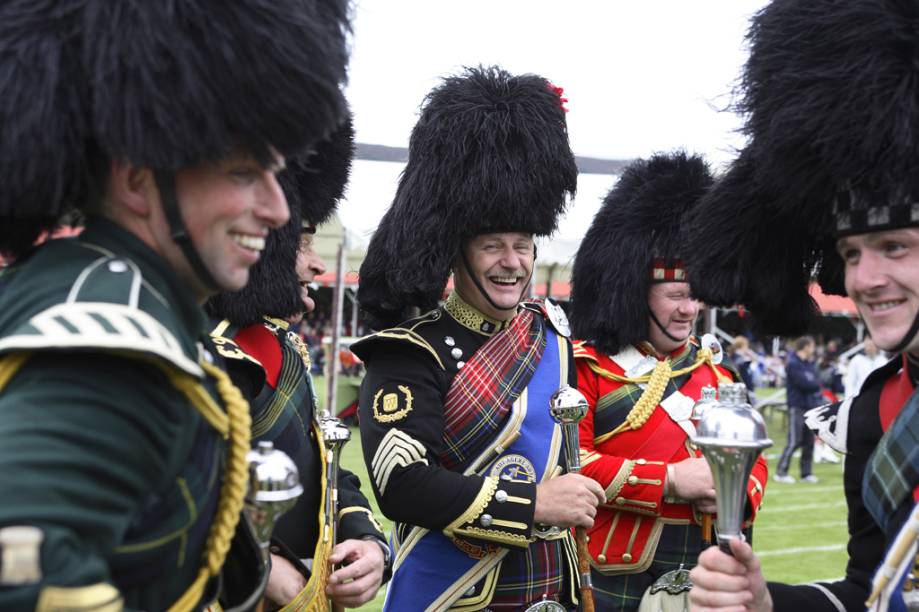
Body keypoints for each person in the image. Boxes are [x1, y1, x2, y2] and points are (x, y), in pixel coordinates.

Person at [0, 2, 350, 610]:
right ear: (138, 178)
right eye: (245, 172)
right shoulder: (111, 341)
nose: (276, 209)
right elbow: (23, 566)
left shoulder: (91, 290)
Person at [682, 0, 919, 609]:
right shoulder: (878, 406)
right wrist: (765, 601)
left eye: (894, 246)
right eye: (851, 251)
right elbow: (869, 594)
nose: (865, 278)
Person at [352, 65, 605, 611]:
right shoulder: (407, 350)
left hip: (548, 591)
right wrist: (534, 503)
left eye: (523, 244)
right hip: (455, 596)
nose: (512, 263)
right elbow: (402, 485)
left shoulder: (551, 335)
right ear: (458, 251)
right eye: (492, 245)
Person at [568, 152, 768, 610]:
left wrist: (736, 494)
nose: (688, 309)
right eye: (676, 295)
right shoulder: (589, 368)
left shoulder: (718, 372)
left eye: (694, 295)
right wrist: (672, 480)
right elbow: (570, 462)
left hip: (708, 565)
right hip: (616, 569)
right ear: (635, 294)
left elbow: (755, 458)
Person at [206, 116, 390, 610]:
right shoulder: (204, 348)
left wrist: (367, 541)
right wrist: (261, 567)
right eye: (302, 242)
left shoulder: (283, 346)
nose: (315, 264)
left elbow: (322, 470)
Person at [773, 336, 823, 484]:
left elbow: (816, 381)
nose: (813, 350)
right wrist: (814, 384)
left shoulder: (809, 364)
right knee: (794, 440)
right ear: (806, 347)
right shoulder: (793, 363)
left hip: (810, 407)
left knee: (809, 442)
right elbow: (807, 384)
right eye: (812, 346)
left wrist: (814, 384)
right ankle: (781, 473)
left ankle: (806, 474)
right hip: (797, 406)